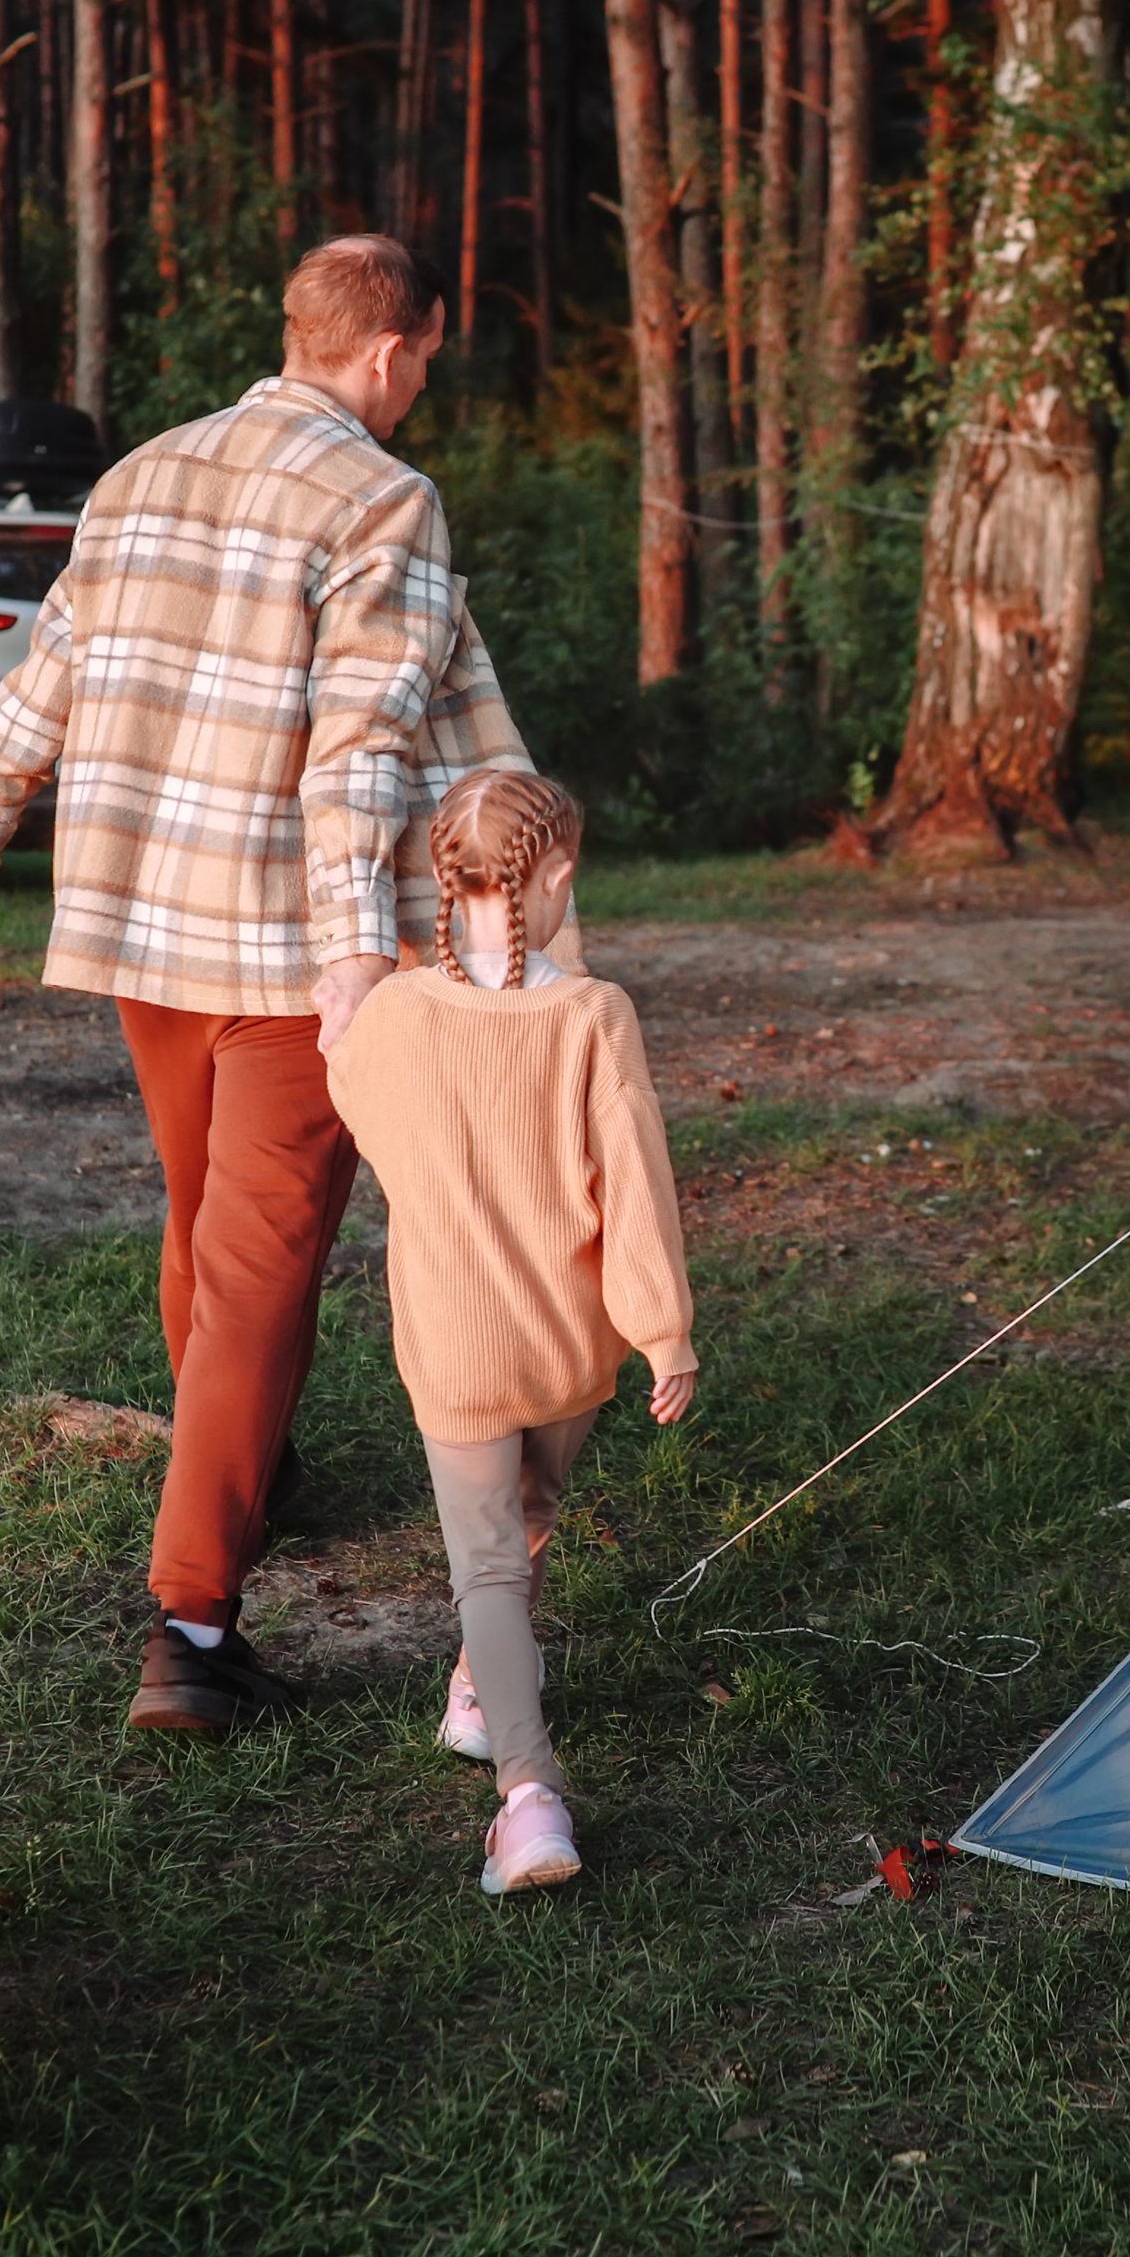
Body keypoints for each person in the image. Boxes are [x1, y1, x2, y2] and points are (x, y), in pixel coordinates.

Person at [0, 232, 539, 1733]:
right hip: (285, 948)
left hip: (143, 930)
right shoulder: (386, 495)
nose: (425, 380)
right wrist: (360, 956)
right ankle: (187, 1627)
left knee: (203, 1218)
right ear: (387, 351)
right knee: (260, 1263)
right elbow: (365, 744)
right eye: (428, 356)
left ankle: (248, 1465)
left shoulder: (140, 477)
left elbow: (35, 687)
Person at [325, 769, 695, 1895]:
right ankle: (487, 1693)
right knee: (531, 1514)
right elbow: (636, 1186)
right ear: (559, 879)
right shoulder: (593, 1014)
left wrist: (347, 1024)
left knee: (485, 1563)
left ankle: (527, 1794)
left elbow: (360, 1103)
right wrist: (663, 1331)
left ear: (441, 878)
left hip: (456, 1343)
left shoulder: (394, 1014)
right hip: (571, 1345)